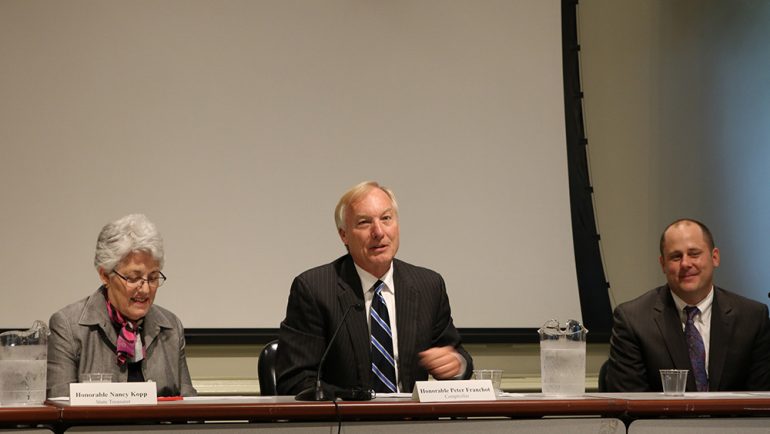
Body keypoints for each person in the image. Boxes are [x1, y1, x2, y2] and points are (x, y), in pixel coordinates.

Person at [276, 181, 473, 395]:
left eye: (386, 218)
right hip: (347, 424)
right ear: (344, 235)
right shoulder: (314, 289)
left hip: (413, 423)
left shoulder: (428, 285)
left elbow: (458, 355)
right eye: (364, 222)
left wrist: (455, 365)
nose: (378, 232)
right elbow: (296, 381)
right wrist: (356, 401)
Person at [605, 218, 770, 392]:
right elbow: (629, 405)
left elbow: (761, 403)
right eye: (676, 257)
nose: (685, 264)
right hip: (661, 420)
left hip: (733, 420)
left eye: (694, 253)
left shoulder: (752, 318)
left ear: (715, 257)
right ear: (663, 264)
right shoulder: (633, 320)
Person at [47, 214, 196, 397]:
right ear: (105, 275)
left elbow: (189, 407)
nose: (145, 289)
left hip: (159, 427)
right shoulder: (69, 327)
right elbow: (59, 411)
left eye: (153, 278)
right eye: (133, 278)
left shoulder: (171, 327)